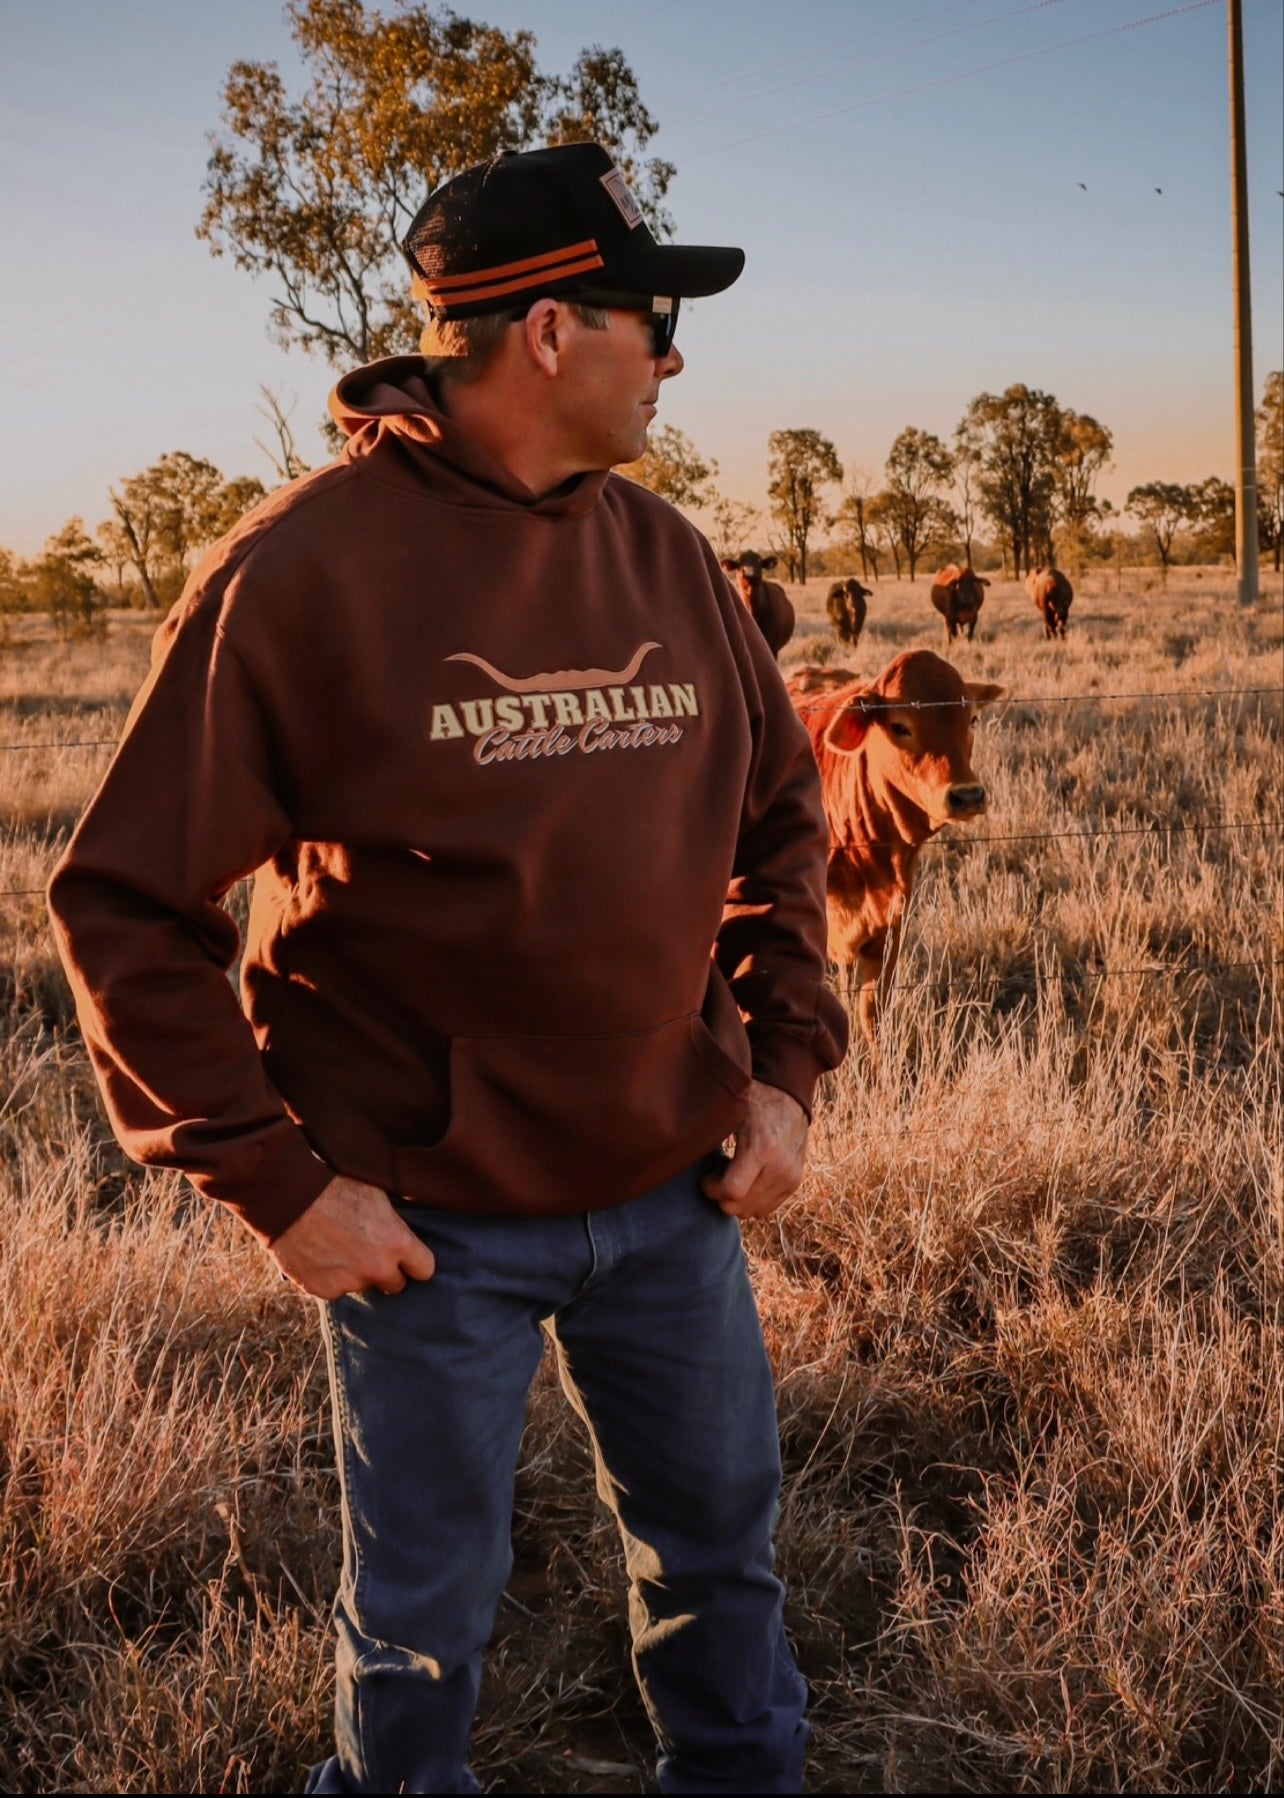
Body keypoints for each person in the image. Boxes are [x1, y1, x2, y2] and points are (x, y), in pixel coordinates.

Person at [48, 142, 848, 1794]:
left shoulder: (672, 556)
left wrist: (783, 1071)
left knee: (722, 1563)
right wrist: (279, 1186)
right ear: (549, 331)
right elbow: (123, 901)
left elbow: (786, 815)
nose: (674, 354)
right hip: (430, 1231)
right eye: (648, 317)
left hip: (674, 1193)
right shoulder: (302, 571)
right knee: (421, 1620)